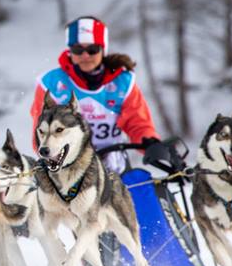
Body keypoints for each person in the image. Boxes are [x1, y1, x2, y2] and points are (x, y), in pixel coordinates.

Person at [30, 16, 164, 173]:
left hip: (115, 167)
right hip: (68, 168)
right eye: (78, 50)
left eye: (92, 50)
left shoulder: (122, 83)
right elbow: (40, 133)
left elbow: (138, 123)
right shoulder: (51, 84)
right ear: (70, 51)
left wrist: (150, 142)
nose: (85, 56)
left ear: (103, 50)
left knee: (144, 190)